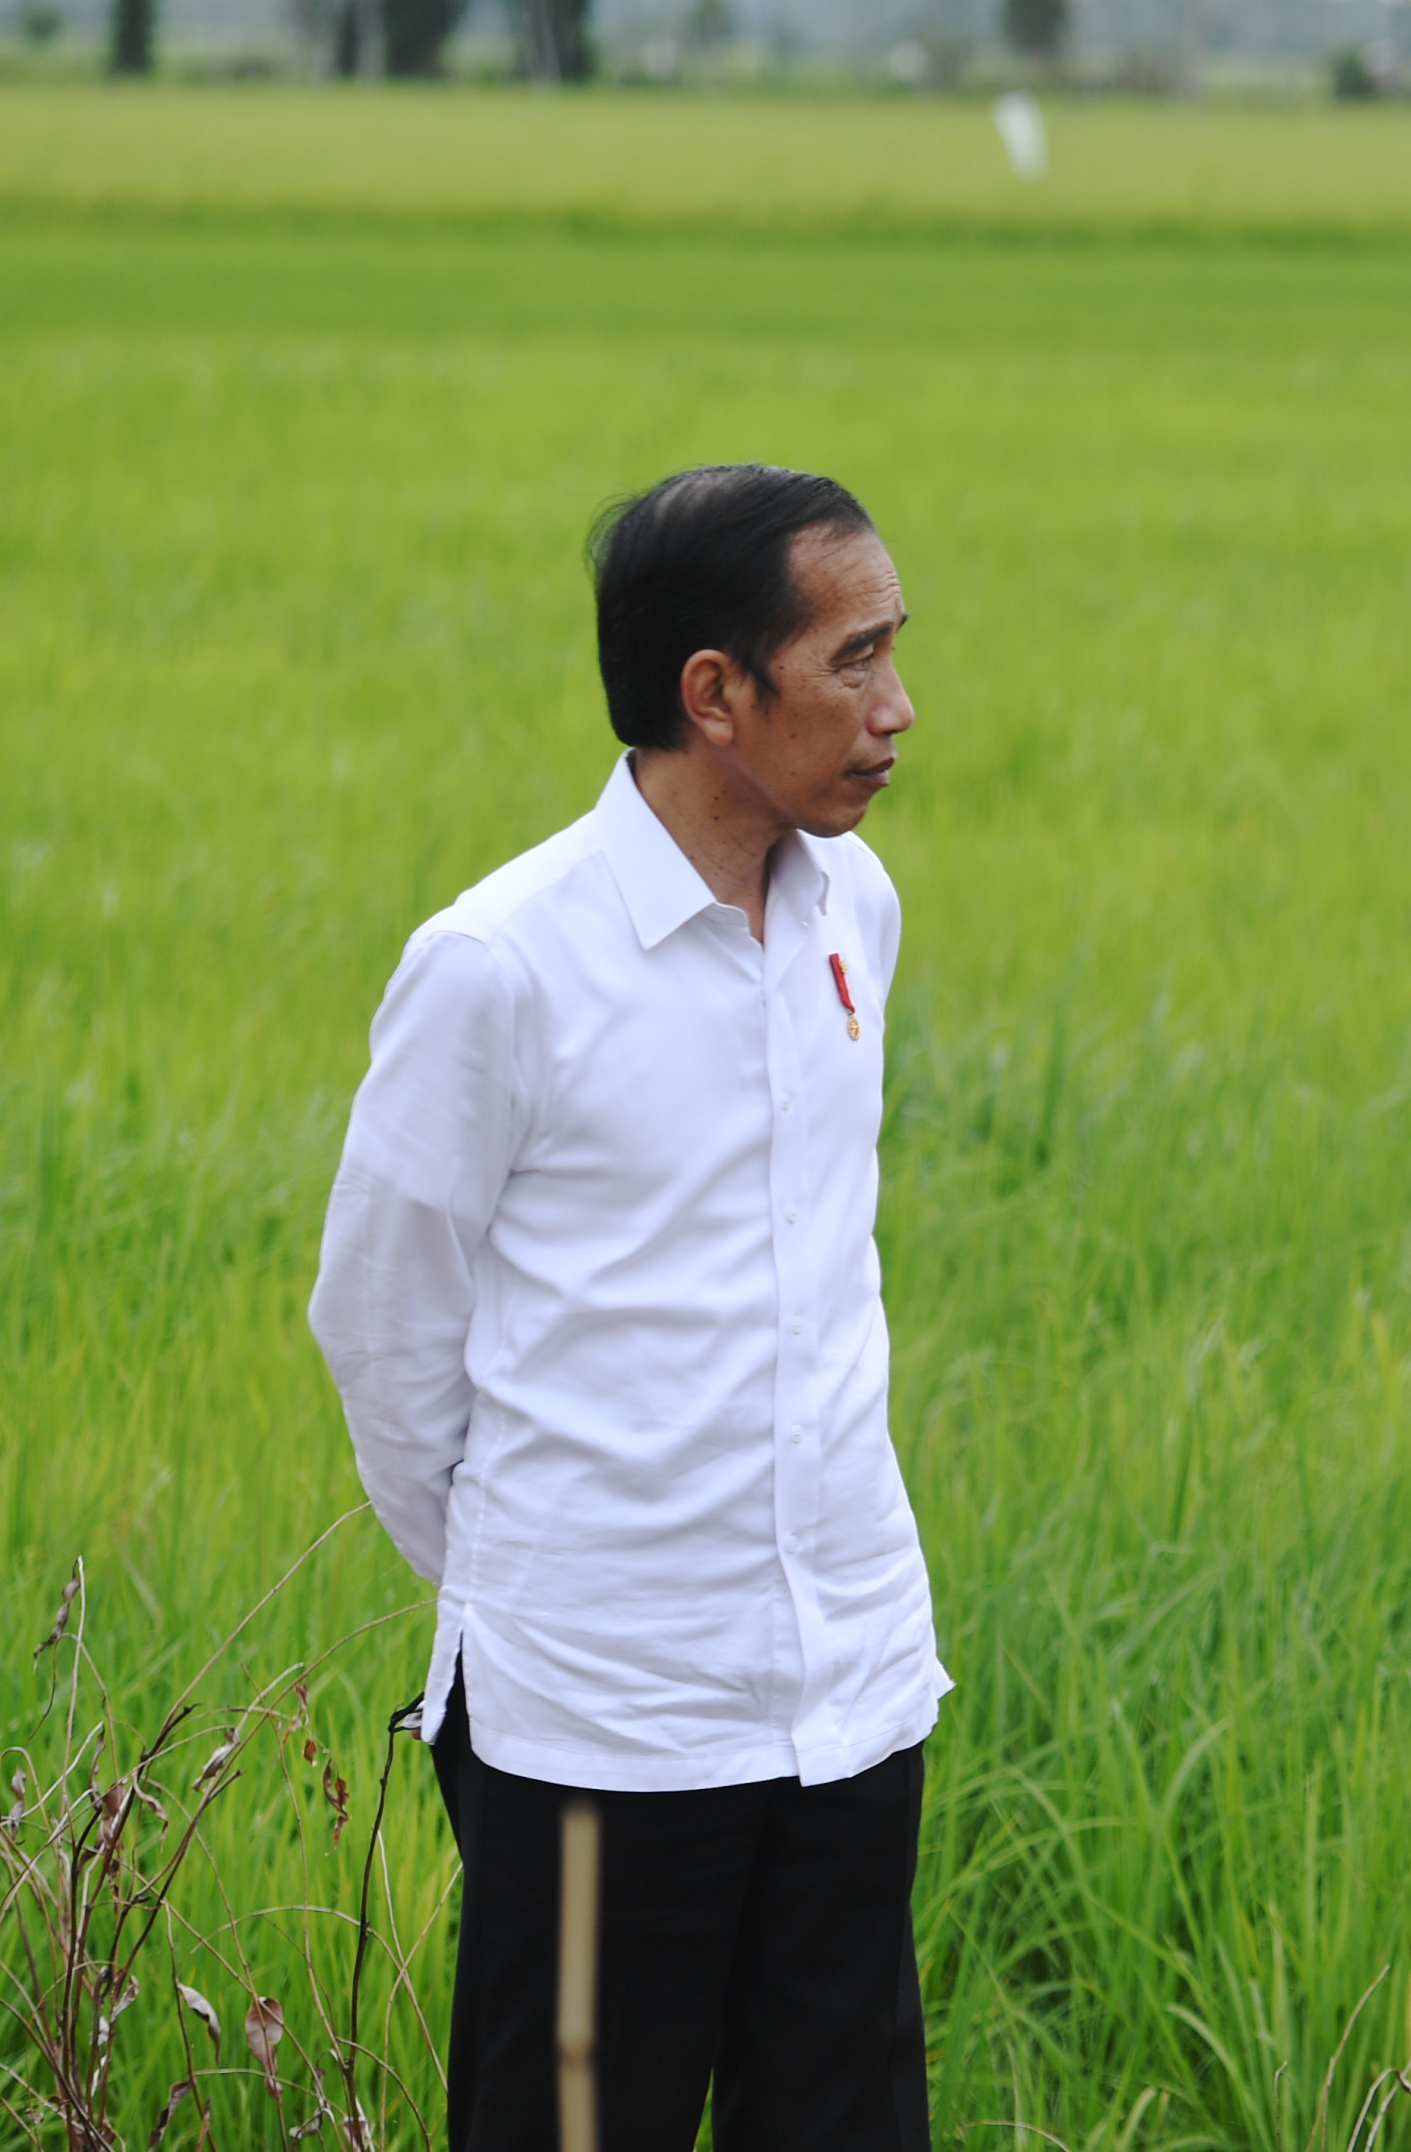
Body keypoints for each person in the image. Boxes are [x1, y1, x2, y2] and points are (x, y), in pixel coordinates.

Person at [312, 465, 941, 2152]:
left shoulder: (852, 912)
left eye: (897, 653)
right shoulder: (504, 964)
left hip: (850, 1693)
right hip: (600, 1735)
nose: (898, 708)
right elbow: (380, 1319)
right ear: (714, 695)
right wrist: (532, 1579)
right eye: (854, 660)